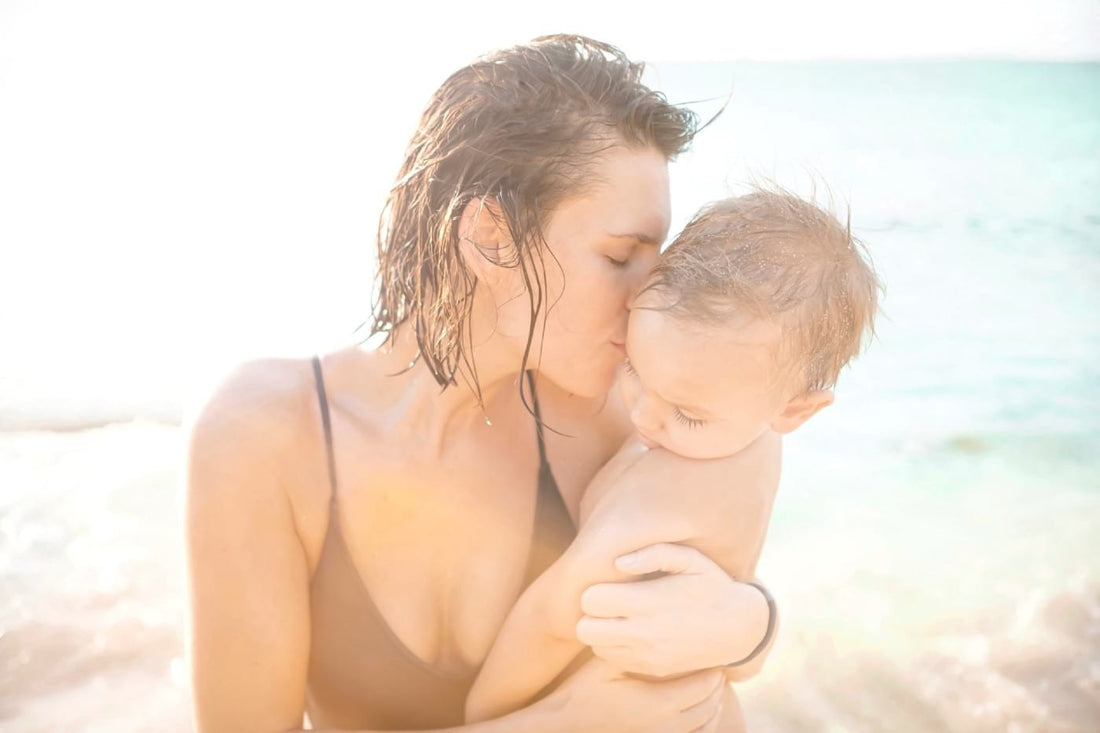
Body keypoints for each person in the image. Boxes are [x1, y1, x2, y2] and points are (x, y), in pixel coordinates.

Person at [185, 35, 777, 733]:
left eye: (659, 261)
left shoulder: (621, 417)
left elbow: (709, 626)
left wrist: (750, 623)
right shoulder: (267, 436)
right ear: (491, 237)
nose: (651, 300)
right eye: (621, 255)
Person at [465, 189, 881, 729]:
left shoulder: (667, 497)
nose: (645, 416)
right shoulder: (747, 420)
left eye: (686, 413)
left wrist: (485, 714)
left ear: (796, 411)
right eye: (636, 367)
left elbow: (550, 619)